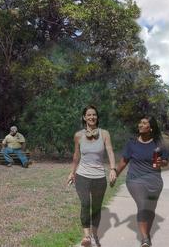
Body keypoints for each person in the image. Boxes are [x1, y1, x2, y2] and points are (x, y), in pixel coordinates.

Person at [112, 116, 169, 247]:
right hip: (135, 180)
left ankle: (146, 236)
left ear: (151, 128)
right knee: (143, 205)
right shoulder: (132, 143)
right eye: (140, 122)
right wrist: (115, 173)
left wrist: (162, 162)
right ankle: (145, 238)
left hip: (154, 181)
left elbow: (166, 161)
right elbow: (124, 161)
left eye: (144, 123)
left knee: (150, 209)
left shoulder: (158, 144)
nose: (140, 125)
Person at [67, 105, 116, 247]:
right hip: (82, 175)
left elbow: (110, 151)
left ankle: (94, 236)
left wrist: (112, 169)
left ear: (97, 117)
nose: (91, 117)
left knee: (96, 207)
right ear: (84, 117)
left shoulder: (104, 133)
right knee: (85, 204)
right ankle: (87, 237)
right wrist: (72, 171)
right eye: (88, 115)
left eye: (94, 114)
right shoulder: (78, 135)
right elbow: (76, 156)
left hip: (99, 177)